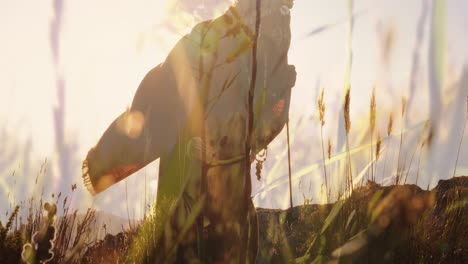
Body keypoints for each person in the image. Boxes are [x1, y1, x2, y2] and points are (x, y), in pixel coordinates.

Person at [82, 0, 295, 262]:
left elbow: (155, 103)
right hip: (214, 198)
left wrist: (103, 162)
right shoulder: (265, 43)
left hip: (196, 200)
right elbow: (272, 111)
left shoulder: (209, 37)